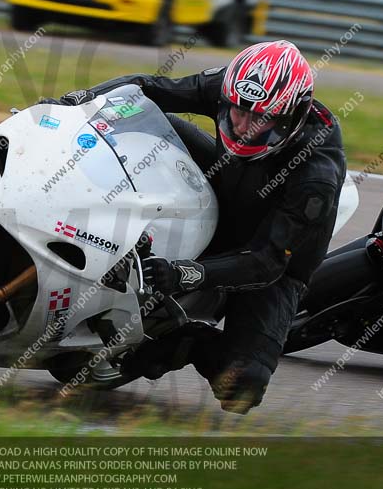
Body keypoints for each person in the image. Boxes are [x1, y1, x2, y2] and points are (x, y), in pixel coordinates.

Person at [43, 40, 347, 414]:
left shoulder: (316, 175)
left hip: (272, 260)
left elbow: (267, 262)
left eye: (260, 120)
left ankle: (182, 340)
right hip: (226, 184)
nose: (243, 127)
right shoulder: (232, 88)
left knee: (243, 387)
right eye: (237, 112)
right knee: (143, 124)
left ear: (290, 117)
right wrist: (74, 105)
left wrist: (184, 273)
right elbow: (146, 88)